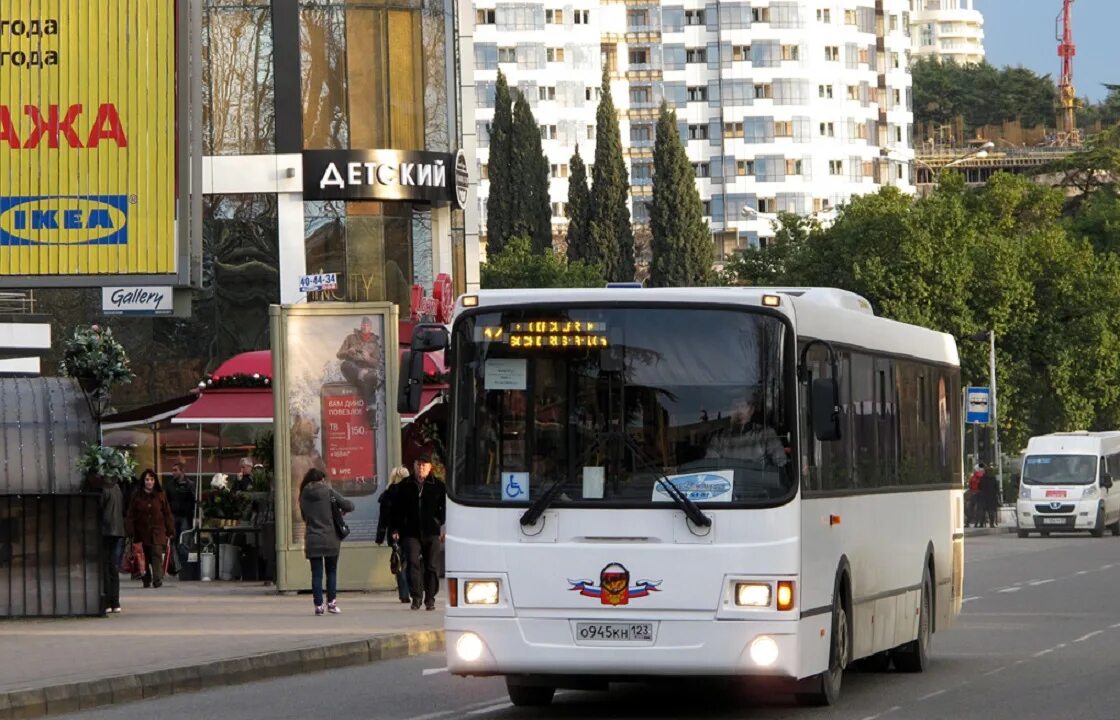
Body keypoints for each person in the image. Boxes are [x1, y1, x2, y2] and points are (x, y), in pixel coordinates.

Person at [391, 451, 446, 610]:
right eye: (418, 464)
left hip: (432, 531)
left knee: (431, 566)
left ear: (430, 467)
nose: (421, 467)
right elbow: (397, 509)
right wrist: (396, 528)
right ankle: (416, 597)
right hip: (410, 531)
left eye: (424, 465)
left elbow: (445, 509)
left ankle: (430, 598)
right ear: (414, 466)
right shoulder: (405, 485)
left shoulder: (438, 486)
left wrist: (441, 525)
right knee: (413, 563)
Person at [299, 467, 354, 616]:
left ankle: (318, 605)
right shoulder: (329, 492)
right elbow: (349, 505)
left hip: (313, 538)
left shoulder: (303, 494)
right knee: (331, 571)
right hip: (331, 538)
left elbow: (305, 517)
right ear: (321, 479)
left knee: (316, 574)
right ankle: (332, 603)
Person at [705, 394, 788, 468]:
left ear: (751, 410)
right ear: (729, 411)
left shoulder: (766, 433)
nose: (739, 411)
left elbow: (780, 463)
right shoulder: (719, 438)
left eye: (742, 406)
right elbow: (710, 467)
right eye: (735, 407)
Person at [125, 469, 175, 589]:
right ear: (143, 481)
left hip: (157, 530)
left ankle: (157, 579)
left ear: (155, 481)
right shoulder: (136, 496)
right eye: (147, 479)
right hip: (141, 531)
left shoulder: (160, 495)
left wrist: (170, 529)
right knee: (144, 557)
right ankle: (146, 579)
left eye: (151, 479)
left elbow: (167, 513)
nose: (149, 482)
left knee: (156, 554)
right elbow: (131, 514)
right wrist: (130, 530)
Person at [88, 471, 126, 613]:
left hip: (106, 529)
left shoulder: (104, 489)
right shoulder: (117, 488)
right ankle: (115, 601)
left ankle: (108, 601)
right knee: (113, 566)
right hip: (117, 530)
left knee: (105, 565)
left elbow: (100, 508)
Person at [337, 316, 384, 424]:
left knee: (371, 379)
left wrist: (368, 358)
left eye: (367, 325)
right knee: (345, 365)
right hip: (353, 370)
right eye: (363, 324)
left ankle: (371, 418)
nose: (364, 326)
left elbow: (377, 363)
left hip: (368, 372)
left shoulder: (375, 343)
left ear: (370, 327)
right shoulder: (350, 338)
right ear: (360, 325)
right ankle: (360, 374)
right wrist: (348, 351)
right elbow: (339, 354)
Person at [376, 466, 411, 604]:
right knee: (409, 561)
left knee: (399, 562)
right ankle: (412, 590)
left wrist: (380, 536)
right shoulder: (410, 493)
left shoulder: (387, 495)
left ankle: (404, 593)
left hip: (393, 533)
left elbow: (383, 519)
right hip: (409, 532)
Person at [165, 463, 196, 546]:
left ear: (182, 471)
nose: (173, 473)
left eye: (175, 470)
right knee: (173, 541)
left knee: (184, 540)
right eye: (172, 470)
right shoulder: (170, 485)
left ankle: (183, 558)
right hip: (173, 515)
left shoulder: (190, 484)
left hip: (185, 516)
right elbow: (166, 501)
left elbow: (193, 501)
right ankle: (175, 558)